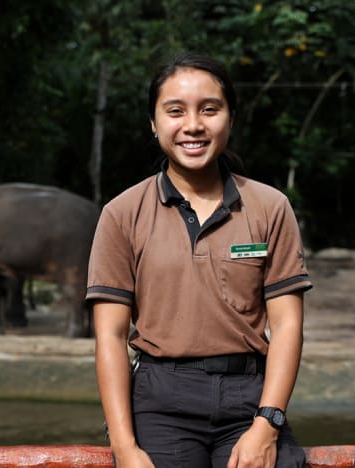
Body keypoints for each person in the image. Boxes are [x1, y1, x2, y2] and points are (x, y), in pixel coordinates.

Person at [86, 52, 312, 468]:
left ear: (230, 118)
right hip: (161, 401)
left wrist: (267, 425)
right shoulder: (123, 214)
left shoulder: (269, 207)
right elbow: (111, 338)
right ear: (154, 124)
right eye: (175, 111)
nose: (193, 125)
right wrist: (125, 447)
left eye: (210, 109)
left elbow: (286, 325)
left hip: (250, 397)